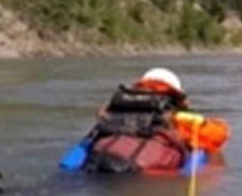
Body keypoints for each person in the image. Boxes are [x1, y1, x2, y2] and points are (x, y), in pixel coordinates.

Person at [77, 66, 230, 173]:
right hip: (139, 176)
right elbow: (219, 135)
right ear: (175, 94)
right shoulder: (175, 118)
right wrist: (188, 113)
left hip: (96, 166)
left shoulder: (114, 111)